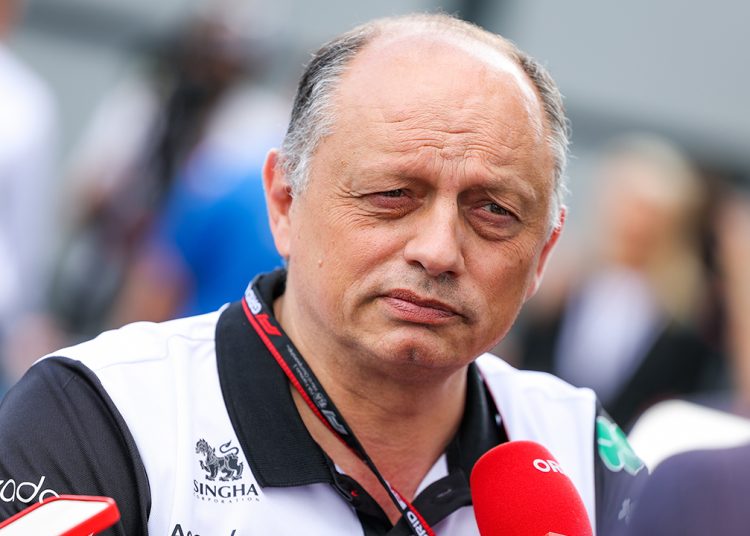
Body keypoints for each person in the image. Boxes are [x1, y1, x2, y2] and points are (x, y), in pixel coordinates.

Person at [0, 13, 646, 535]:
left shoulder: (584, 452)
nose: (438, 250)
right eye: (392, 195)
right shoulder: (101, 415)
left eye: (494, 211)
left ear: (544, 252)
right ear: (284, 202)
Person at [517, 135, 716, 428]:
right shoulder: (566, 283)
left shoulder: (686, 308)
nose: (634, 224)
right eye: (626, 206)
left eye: (647, 212)